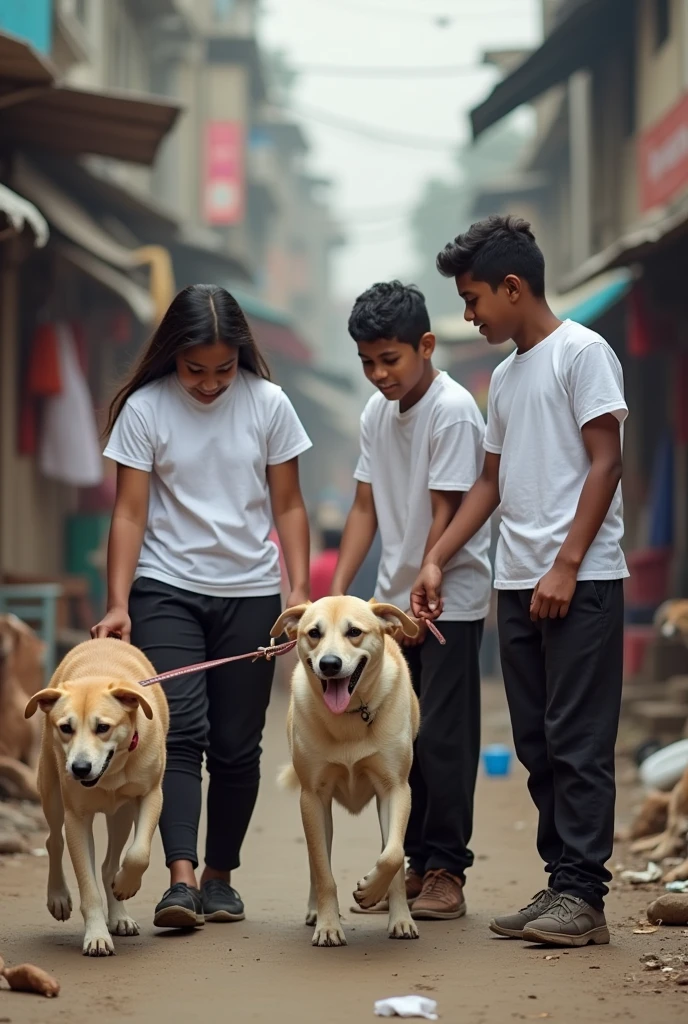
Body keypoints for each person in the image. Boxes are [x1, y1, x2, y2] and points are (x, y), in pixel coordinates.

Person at [410, 216, 628, 947]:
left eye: (473, 300)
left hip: (581, 577)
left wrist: (566, 563)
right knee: (536, 740)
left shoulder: (582, 353)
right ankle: (562, 882)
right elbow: (491, 482)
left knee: (579, 739)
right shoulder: (502, 377)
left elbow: (607, 463)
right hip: (518, 582)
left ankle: (584, 895)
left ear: (513, 286)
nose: (470, 315)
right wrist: (438, 555)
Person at [92, 284, 312, 930]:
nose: (211, 384)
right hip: (165, 587)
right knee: (179, 731)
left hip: (250, 590)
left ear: (241, 355)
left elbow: (290, 505)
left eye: (224, 369)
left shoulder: (270, 404)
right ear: (173, 355)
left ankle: (221, 876)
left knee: (240, 746)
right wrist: (117, 601)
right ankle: (180, 879)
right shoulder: (145, 409)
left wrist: (297, 591)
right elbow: (129, 511)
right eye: (196, 370)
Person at [331, 280, 492, 920]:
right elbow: (365, 505)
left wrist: (425, 587)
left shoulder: (452, 410)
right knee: (395, 741)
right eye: (367, 361)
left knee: (444, 740)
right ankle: (412, 860)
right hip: (389, 610)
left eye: (390, 359)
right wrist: (339, 594)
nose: (378, 374)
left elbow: (446, 511)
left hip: (448, 599)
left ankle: (447, 869)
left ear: (426, 346)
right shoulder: (376, 414)